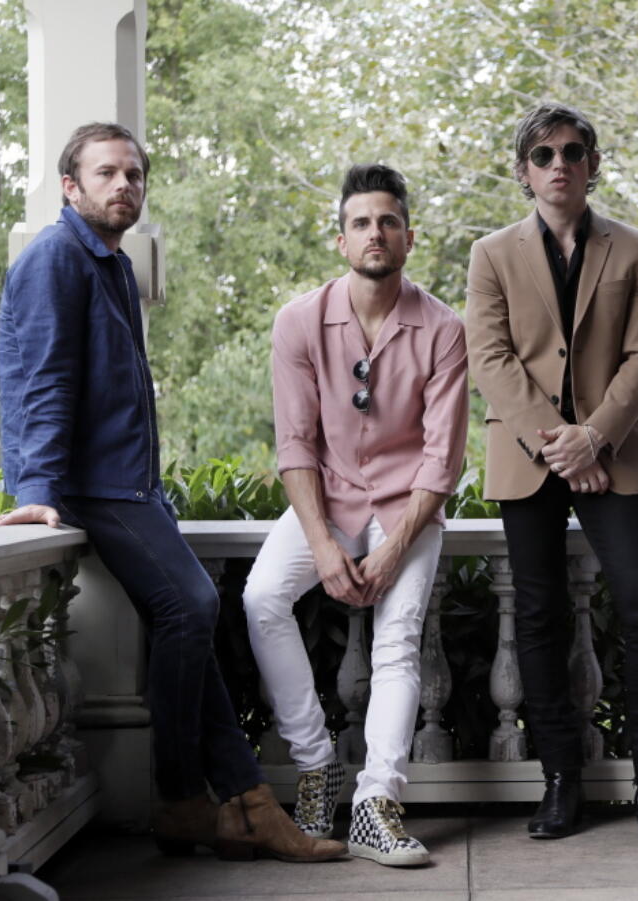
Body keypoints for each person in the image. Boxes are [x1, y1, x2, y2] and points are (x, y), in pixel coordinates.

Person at [0, 122, 346, 864]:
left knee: (191, 629)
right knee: (192, 604)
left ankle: (245, 803)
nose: (124, 185)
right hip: (94, 488)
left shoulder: (110, 263)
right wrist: (39, 488)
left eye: (134, 175)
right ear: (69, 186)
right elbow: (43, 381)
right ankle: (184, 797)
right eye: (107, 173)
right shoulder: (58, 258)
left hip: (131, 486)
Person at [466, 102, 638, 845]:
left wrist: (594, 439)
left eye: (571, 151)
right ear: (522, 170)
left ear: (593, 162)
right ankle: (561, 779)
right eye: (542, 154)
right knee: (537, 617)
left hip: (612, 453)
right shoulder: (491, 254)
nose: (558, 164)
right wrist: (557, 444)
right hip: (530, 458)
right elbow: (490, 358)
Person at [241, 163, 468, 867]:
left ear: (409, 237)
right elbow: (295, 444)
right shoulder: (299, 322)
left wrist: (394, 546)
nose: (376, 232)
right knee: (261, 597)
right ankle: (316, 765)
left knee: (397, 637)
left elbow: (443, 458)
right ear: (341, 239)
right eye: (362, 222)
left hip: (408, 507)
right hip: (329, 499)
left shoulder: (443, 328)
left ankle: (376, 801)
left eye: (389, 221)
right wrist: (324, 542)